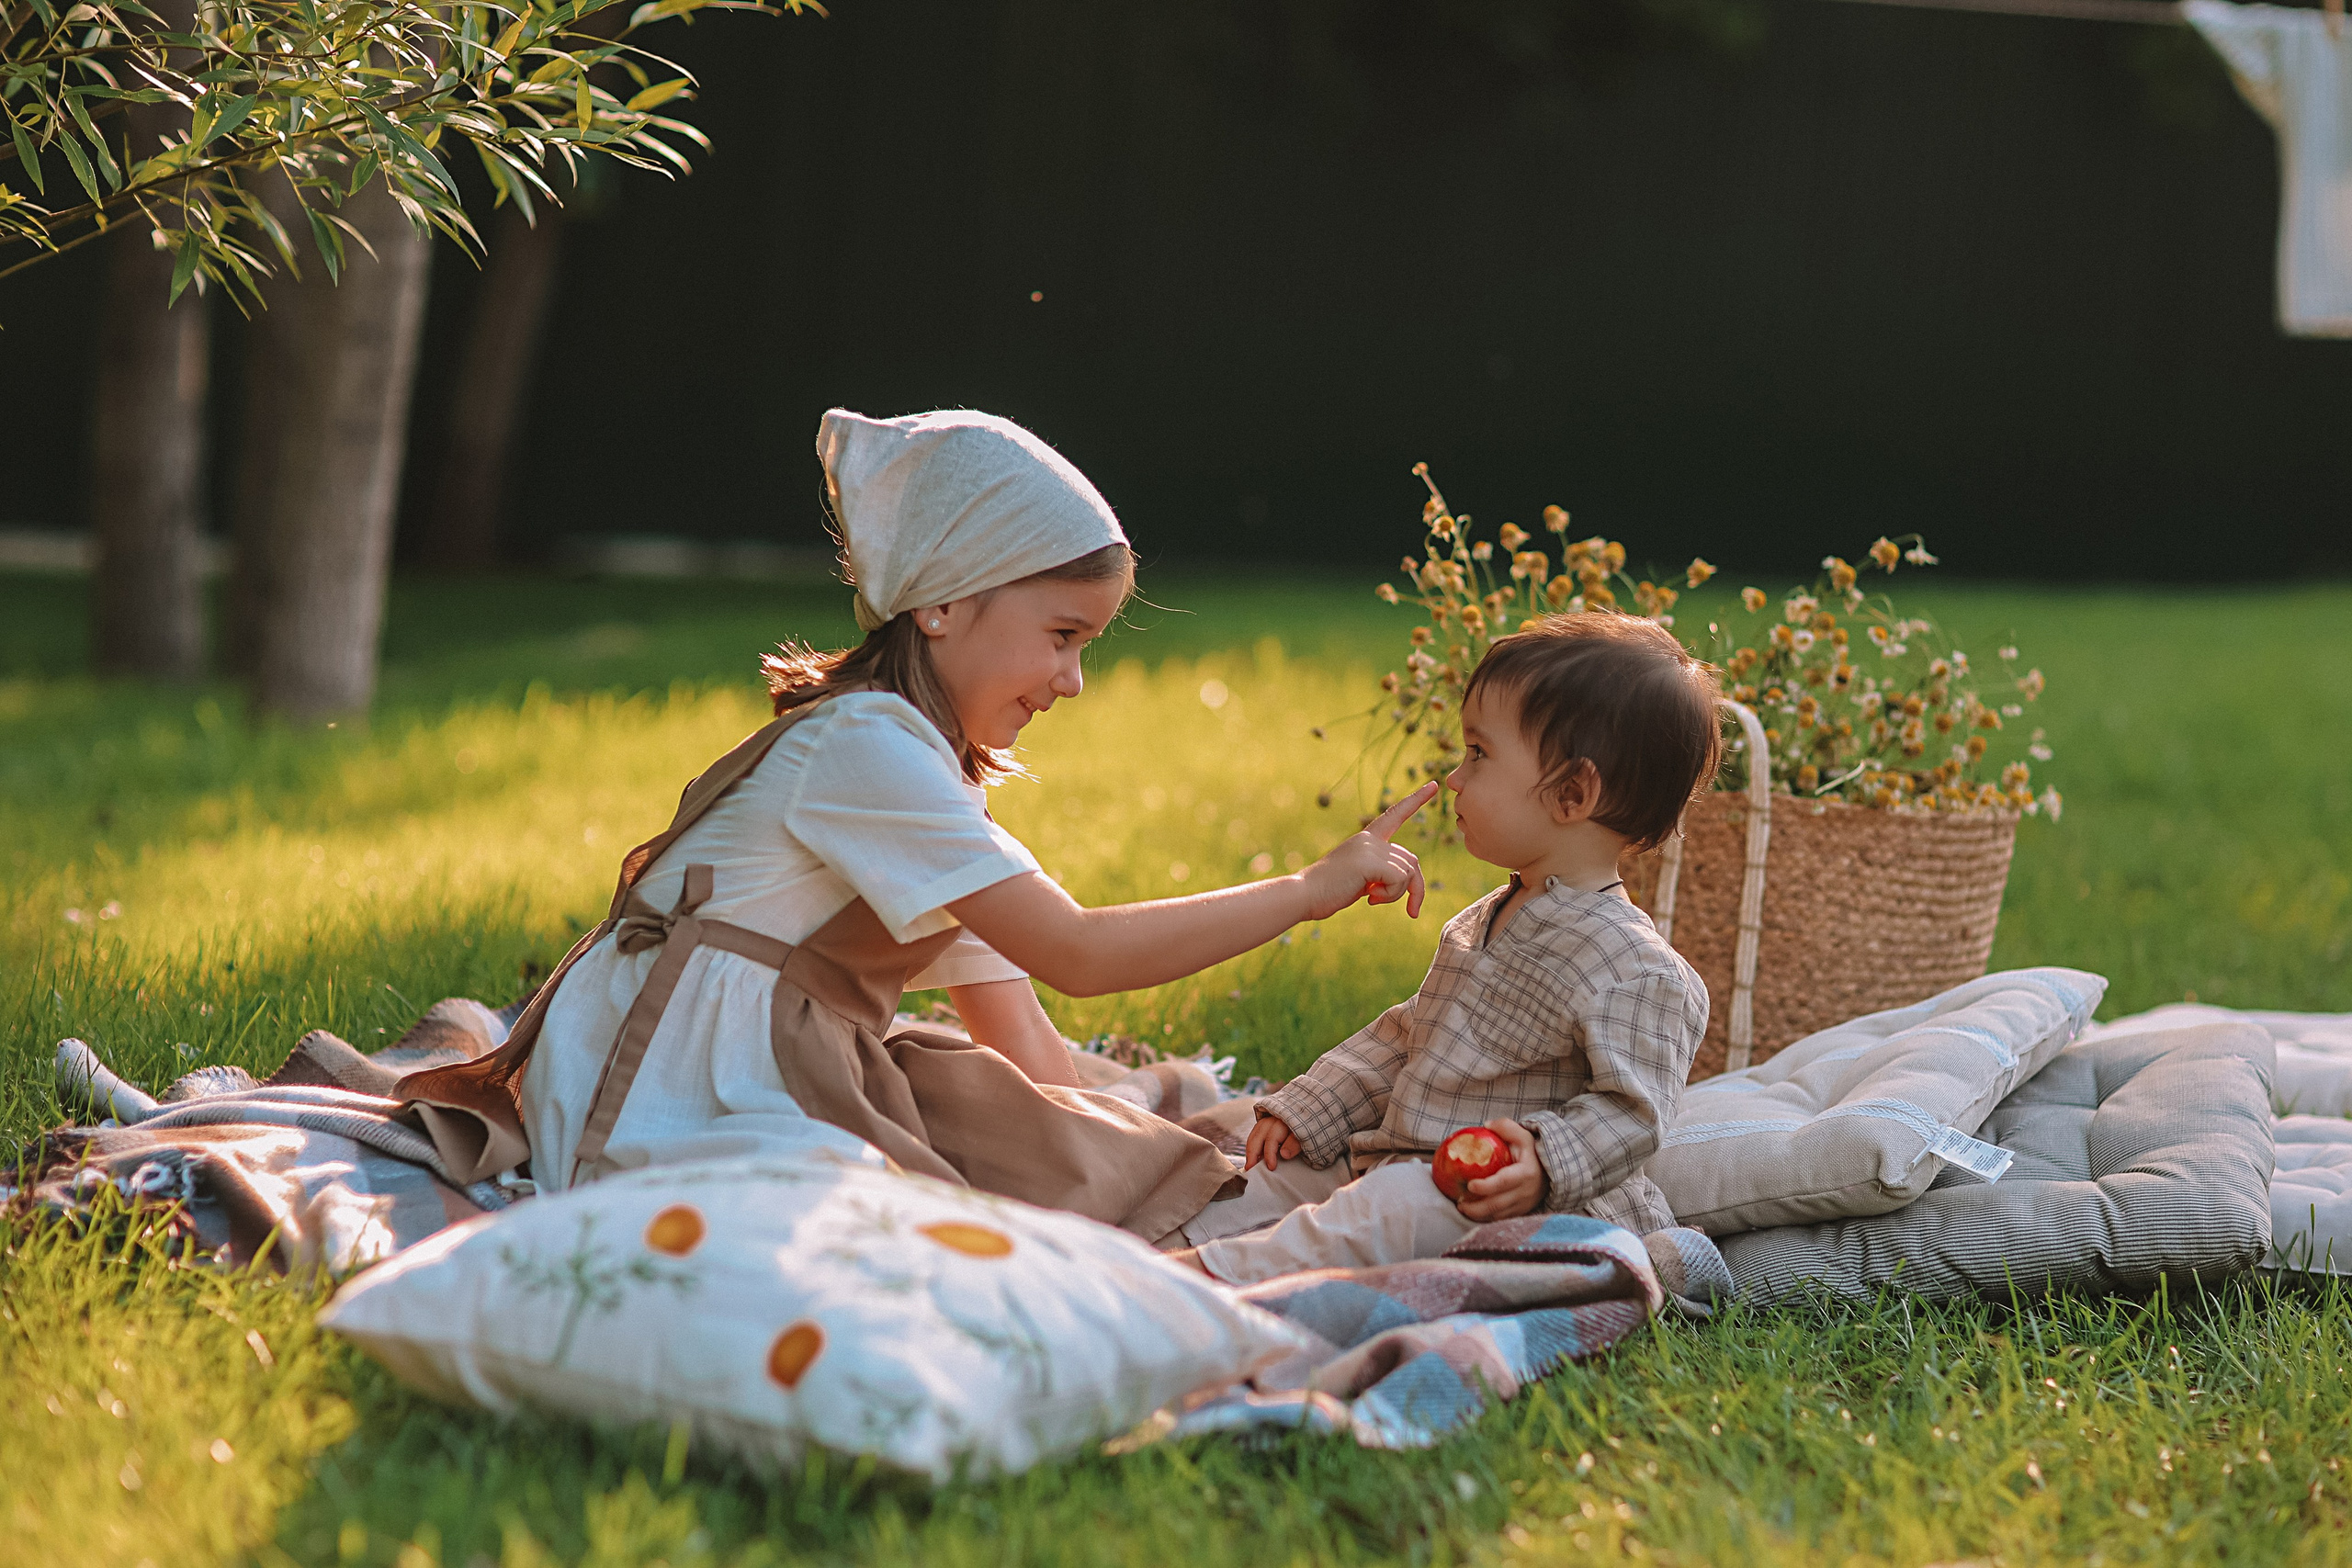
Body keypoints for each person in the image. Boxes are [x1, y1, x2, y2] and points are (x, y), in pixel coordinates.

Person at [398, 407, 1433, 1244]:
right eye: (1063, 637)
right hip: (670, 1099)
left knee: (1014, 1120)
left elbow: (1022, 1035)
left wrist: (1095, 1134)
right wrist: (1306, 891)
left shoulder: (929, 779)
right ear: (941, 604)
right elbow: (1076, 953)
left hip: (791, 1054)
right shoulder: (865, 751)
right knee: (916, 1220)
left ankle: (1194, 1191)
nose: (1073, 681)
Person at [1173, 613, 1723, 1282]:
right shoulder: (1489, 917)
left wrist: (1544, 1161)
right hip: (1401, 1167)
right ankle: (1162, 1243)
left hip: (1499, 1203)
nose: (1456, 778)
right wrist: (1312, 1105)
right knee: (1280, 1172)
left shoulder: (1635, 968)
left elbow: (1634, 1112)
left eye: (1479, 754)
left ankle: (1202, 1279)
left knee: (1384, 1212)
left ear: (1573, 792)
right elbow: (1408, 1037)